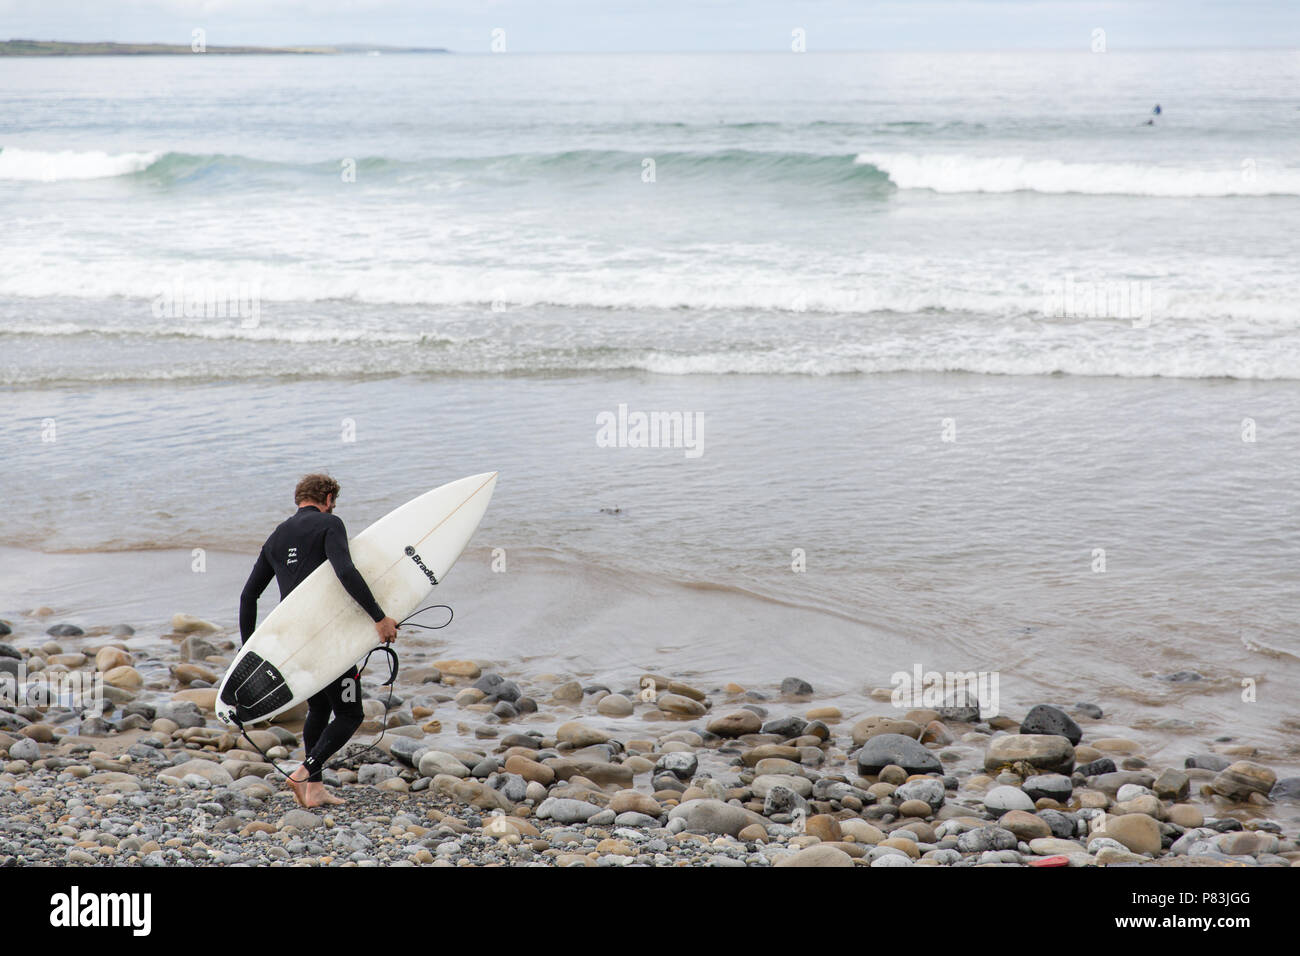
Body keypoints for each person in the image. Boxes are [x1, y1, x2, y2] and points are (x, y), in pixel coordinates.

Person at [239, 474, 398, 807]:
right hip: (327, 639)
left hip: (295, 640)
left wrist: (247, 650)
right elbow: (346, 571)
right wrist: (379, 617)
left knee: (320, 707)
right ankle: (302, 772)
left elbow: (249, 595)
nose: (333, 508)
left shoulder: (277, 536)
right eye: (334, 502)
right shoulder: (331, 524)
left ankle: (314, 790)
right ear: (326, 498)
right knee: (351, 712)